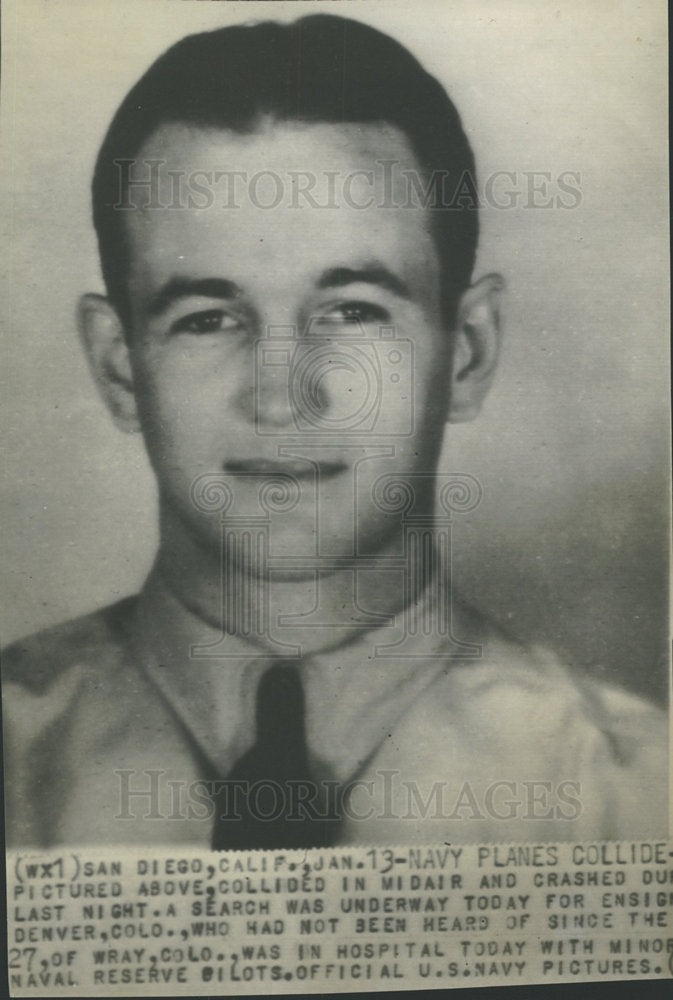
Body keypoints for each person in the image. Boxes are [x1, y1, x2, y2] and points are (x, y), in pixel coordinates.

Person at [2, 13, 667, 849]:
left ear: (467, 352)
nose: (283, 401)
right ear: (117, 367)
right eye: (209, 319)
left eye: (352, 311)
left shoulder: (639, 796)